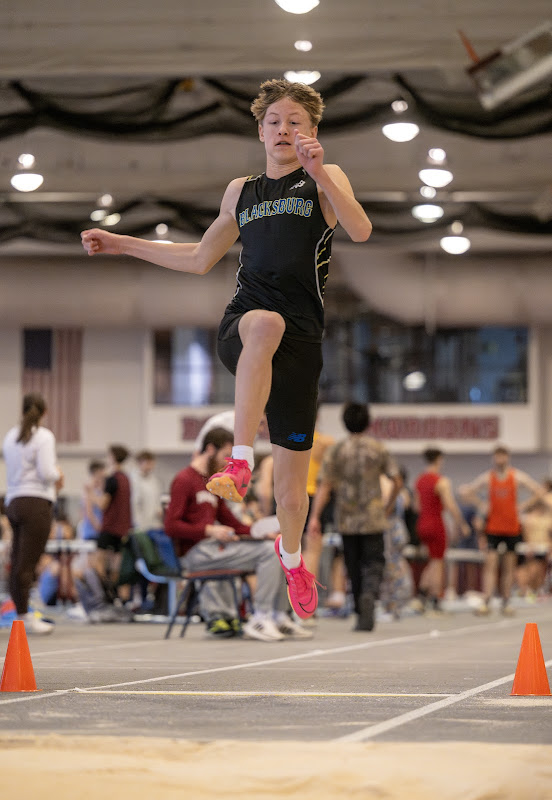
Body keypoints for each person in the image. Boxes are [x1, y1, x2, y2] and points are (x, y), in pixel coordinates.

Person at [81, 78, 372, 620]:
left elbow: (360, 228)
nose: (284, 130)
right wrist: (121, 242)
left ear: (312, 132)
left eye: (296, 123)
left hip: (302, 344)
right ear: (260, 129)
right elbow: (198, 258)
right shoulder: (242, 191)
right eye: (275, 122)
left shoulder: (325, 179)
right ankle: (240, 460)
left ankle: (291, 561)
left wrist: (319, 174)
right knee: (262, 323)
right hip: (245, 326)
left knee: (289, 494)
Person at [164, 427, 310, 640]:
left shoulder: (211, 482)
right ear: (210, 449)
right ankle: (261, 617)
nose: (228, 463)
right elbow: (170, 526)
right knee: (270, 553)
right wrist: (207, 530)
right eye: (226, 455)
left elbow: (232, 523)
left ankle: (279, 616)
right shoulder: (184, 479)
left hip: (214, 549)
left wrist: (259, 532)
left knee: (278, 548)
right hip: (195, 553)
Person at [307, 402, 401, 631]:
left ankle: (360, 609)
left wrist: (315, 516)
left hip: (346, 519)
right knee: (375, 562)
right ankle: (370, 594)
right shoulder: (378, 449)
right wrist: (387, 505)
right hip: (373, 516)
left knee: (353, 565)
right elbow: (397, 480)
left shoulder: (336, 450)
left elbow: (325, 485)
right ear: (368, 422)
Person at [2, 393, 63, 634]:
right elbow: (47, 472)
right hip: (35, 501)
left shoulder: (10, 436)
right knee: (27, 563)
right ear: (44, 412)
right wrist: (60, 474)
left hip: (14, 501)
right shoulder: (44, 436)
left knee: (18, 561)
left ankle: (19, 613)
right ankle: (25, 615)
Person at [459, 445, 543, 616]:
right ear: (494, 459)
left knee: (509, 566)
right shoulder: (488, 478)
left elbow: (538, 490)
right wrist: (481, 505)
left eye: (502, 457)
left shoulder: (516, 477)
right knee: (490, 564)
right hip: (493, 528)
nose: (500, 460)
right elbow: (466, 492)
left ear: (507, 458)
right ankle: (487, 600)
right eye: (497, 457)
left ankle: (505, 601)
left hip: (511, 528)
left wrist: (523, 506)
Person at [414, 449, 470, 613]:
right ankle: (435, 598)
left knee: (431, 560)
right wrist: (462, 523)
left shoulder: (419, 480)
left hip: (422, 523)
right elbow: (450, 504)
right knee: (438, 561)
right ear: (439, 460)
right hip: (435, 522)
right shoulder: (441, 481)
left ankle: (422, 594)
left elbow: (416, 506)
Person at [94, 444, 132, 599]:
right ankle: (117, 595)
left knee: (98, 561)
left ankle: (104, 591)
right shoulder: (126, 479)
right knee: (117, 563)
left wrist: (90, 495)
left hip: (110, 527)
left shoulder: (112, 479)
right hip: (122, 528)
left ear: (113, 457)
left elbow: (103, 504)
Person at [130, 450, 163, 533]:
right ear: (139, 463)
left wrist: (159, 509)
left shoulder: (154, 480)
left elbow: (157, 499)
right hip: (139, 524)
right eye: (148, 463)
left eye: (152, 463)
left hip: (154, 523)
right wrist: (138, 523)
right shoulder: (133, 480)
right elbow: (134, 503)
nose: (151, 466)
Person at [80, 460, 106, 541]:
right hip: (92, 532)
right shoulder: (88, 491)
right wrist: (98, 528)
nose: (102, 476)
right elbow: (88, 513)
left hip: (102, 530)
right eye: (100, 474)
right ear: (94, 474)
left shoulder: (102, 490)